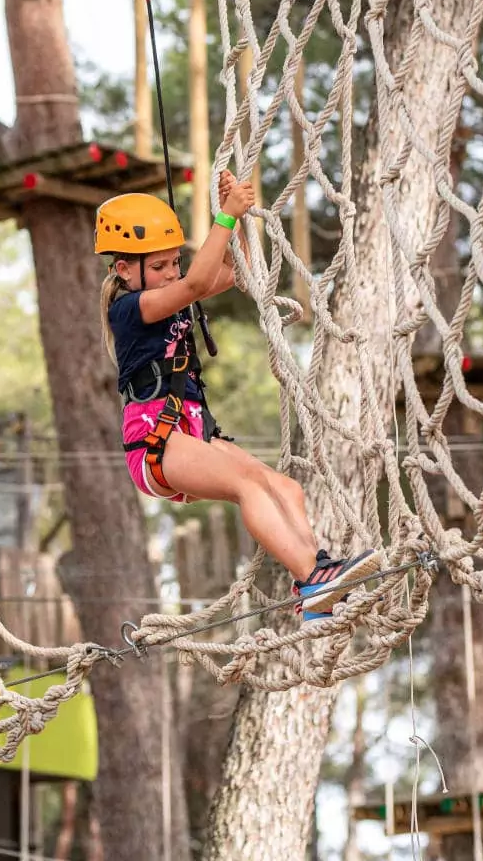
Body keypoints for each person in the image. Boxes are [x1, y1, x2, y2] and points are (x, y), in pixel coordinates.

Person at [96, 178, 380, 620]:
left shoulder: (169, 292)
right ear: (124, 270)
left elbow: (230, 272)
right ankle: (312, 580)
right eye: (160, 266)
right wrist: (224, 215)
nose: (172, 272)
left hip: (188, 429)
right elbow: (192, 286)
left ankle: (319, 587)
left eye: (175, 262)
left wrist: (240, 216)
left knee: (285, 487)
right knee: (247, 486)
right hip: (155, 440)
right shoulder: (130, 310)